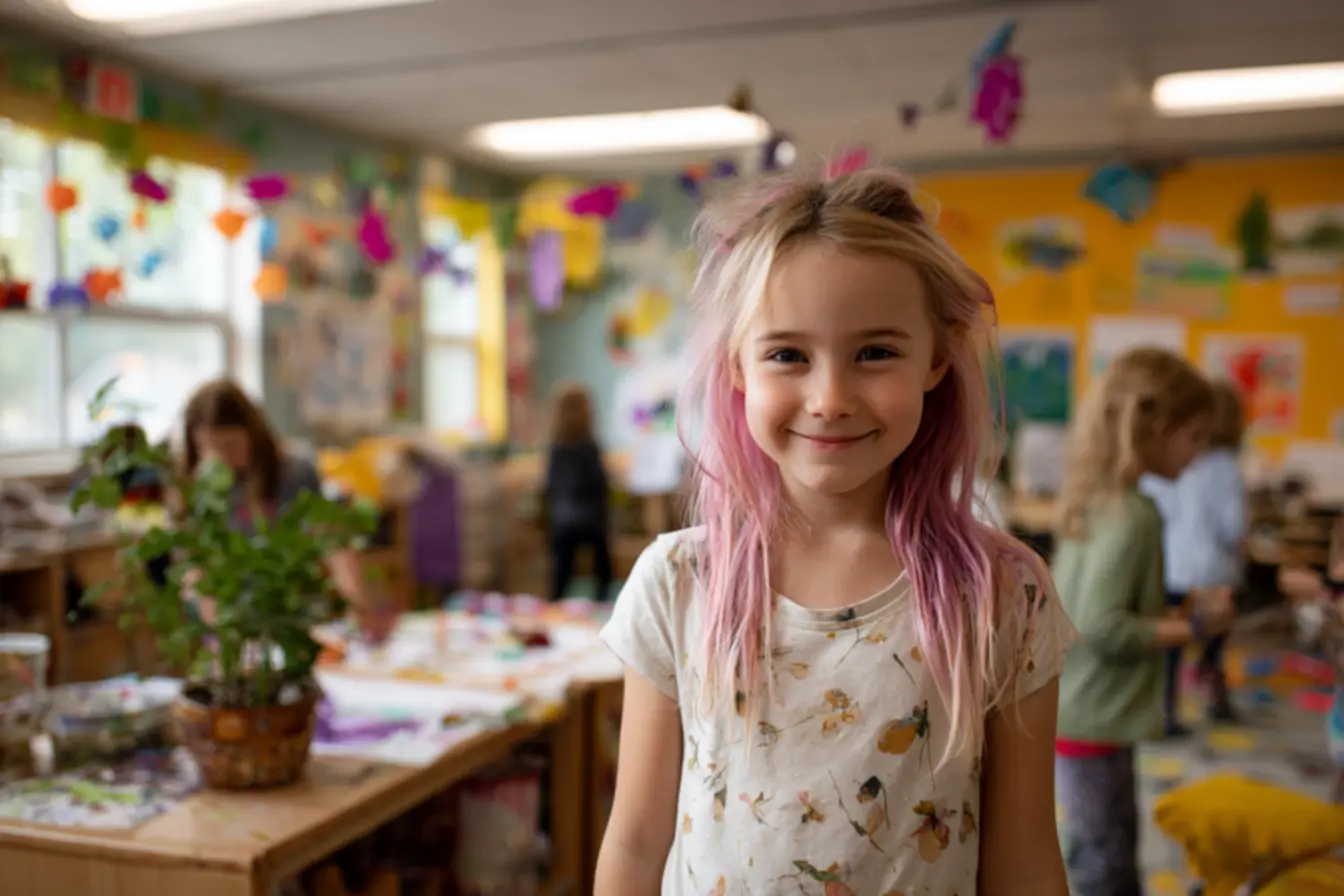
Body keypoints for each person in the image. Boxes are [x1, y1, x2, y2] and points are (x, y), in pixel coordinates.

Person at [595, 168, 1077, 896]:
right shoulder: (678, 584)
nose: (829, 399)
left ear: (936, 362)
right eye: (788, 355)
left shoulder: (1004, 595)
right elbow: (634, 844)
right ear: (738, 368)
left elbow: (1025, 861)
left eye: (875, 352)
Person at [1053, 348, 1235, 896]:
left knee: (1100, 843)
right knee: (1107, 859)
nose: (1199, 454)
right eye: (1195, 437)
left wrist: (1181, 604)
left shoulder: (1103, 500)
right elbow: (1101, 626)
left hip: (1081, 709)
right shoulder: (1132, 516)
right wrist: (1198, 629)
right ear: (1154, 429)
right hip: (1095, 717)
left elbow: (1105, 604)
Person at [180, 379, 394, 643]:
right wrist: (215, 619)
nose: (220, 458)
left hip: (292, 622)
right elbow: (195, 565)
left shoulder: (294, 472)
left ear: (253, 434)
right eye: (206, 448)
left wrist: (357, 604)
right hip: (230, 630)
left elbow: (331, 543)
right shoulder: (201, 487)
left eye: (230, 446)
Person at [1140, 381, 1247, 732]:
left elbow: (1155, 510)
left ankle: (1167, 709)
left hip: (1173, 566)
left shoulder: (1169, 459)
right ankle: (1212, 691)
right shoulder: (1227, 467)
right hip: (1214, 570)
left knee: (1171, 642)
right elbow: (1235, 526)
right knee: (1214, 636)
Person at [544, 381, 613, 602]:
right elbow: (598, 483)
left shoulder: (556, 447)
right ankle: (601, 602)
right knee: (604, 568)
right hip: (591, 519)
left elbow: (550, 484)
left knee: (562, 570)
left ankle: (556, 602)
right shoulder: (589, 446)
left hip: (563, 520)